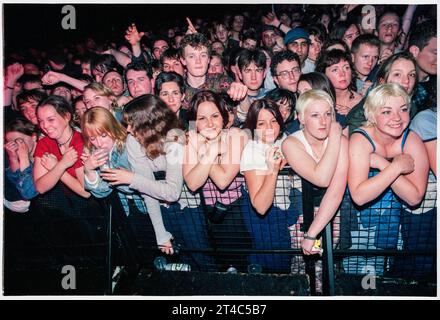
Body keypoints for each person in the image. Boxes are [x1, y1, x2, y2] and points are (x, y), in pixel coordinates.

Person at [345, 83, 429, 275]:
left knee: (382, 277)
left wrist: (383, 164)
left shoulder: (412, 139)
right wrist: (396, 167)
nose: (397, 118)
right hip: (360, 225)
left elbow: (415, 197)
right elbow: (359, 195)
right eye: (386, 112)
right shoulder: (361, 139)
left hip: (393, 227)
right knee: (358, 277)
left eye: (403, 109)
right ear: (372, 116)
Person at [80, 107, 173, 254]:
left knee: (171, 249)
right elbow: (102, 192)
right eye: (92, 138)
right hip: (131, 208)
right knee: (147, 252)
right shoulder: (96, 152)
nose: (98, 143)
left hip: (159, 204)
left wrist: (129, 178)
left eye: (103, 135)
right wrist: (88, 169)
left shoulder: (129, 146)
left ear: (112, 128)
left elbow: (147, 188)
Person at [183, 90, 251, 271]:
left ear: (223, 117)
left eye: (214, 115)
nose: (210, 123)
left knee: (240, 267)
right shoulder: (192, 140)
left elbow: (223, 180)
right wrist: (212, 151)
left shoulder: (237, 135)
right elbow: (192, 183)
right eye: (202, 118)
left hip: (238, 215)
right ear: (194, 122)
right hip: (206, 216)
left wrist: (204, 151)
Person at [240, 99, 295, 272]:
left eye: (273, 121)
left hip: (284, 211)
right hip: (265, 217)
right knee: (273, 266)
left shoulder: (283, 140)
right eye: (261, 123)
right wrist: (273, 170)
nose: (269, 127)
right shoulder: (252, 150)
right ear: (254, 127)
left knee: (286, 262)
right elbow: (260, 206)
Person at [346, 51, 419, 134]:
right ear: (382, 82)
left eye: (412, 75)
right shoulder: (361, 116)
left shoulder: (412, 108)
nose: (406, 81)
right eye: (397, 74)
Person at [33, 96, 89, 198]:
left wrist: (57, 167)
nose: (44, 125)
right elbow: (40, 187)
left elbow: (85, 192)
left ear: (67, 116)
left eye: (50, 119)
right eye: (40, 121)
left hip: (87, 208)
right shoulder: (44, 143)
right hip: (58, 205)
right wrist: (61, 165)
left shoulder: (81, 142)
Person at [315, 49, 362, 120]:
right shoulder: (317, 101)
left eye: (346, 68)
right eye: (335, 70)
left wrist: (354, 118)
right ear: (323, 74)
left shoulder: (360, 103)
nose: (342, 74)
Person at [4, 118, 39, 213]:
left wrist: (23, 156)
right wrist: (13, 159)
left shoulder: (44, 153)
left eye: (19, 140)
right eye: (11, 143)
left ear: (33, 137)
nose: (15, 146)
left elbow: (28, 192)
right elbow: (16, 183)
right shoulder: (24, 155)